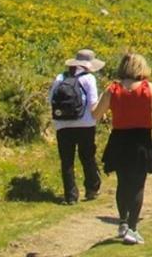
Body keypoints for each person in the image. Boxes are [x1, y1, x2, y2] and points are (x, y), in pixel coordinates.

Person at [93, 53, 152, 246]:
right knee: (138, 185)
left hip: (119, 139)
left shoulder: (112, 89)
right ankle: (133, 229)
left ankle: (123, 222)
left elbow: (96, 114)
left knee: (123, 183)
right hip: (140, 139)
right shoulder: (148, 88)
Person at [49, 48, 104, 205]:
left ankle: (71, 195)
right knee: (87, 156)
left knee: (67, 160)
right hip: (85, 124)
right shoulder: (88, 78)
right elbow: (93, 103)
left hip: (62, 124)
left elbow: (51, 99)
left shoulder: (60, 77)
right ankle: (92, 188)